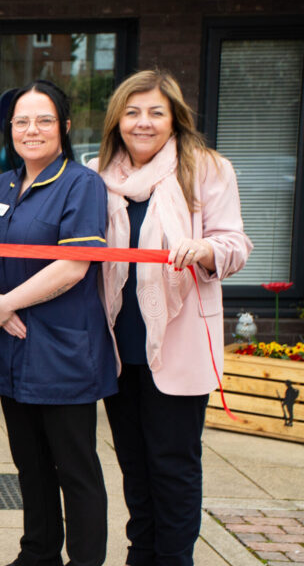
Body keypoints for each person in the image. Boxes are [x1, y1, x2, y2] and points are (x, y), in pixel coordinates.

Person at [90, 69, 251, 566]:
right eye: (132, 112)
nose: (143, 123)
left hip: (177, 345)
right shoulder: (100, 176)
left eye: (156, 112)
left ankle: (175, 558)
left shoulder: (205, 168)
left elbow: (235, 243)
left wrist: (204, 248)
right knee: (134, 465)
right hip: (120, 345)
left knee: (174, 465)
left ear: (174, 118)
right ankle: (143, 554)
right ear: (117, 120)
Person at [0, 79, 115, 566]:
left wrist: (8, 302)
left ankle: (86, 561)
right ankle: (37, 554)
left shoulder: (82, 183)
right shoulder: (2, 184)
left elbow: (74, 265)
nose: (31, 130)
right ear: (8, 129)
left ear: (65, 127)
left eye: (44, 120)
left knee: (75, 468)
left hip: (61, 350)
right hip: (11, 347)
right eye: (21, 121)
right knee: (29, 465)